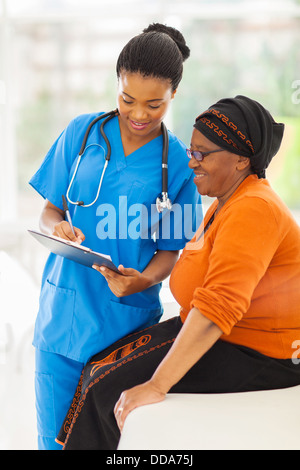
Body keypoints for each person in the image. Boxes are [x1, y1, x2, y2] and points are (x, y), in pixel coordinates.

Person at [56, 95, 300, 451]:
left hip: (257, 353)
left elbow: (218, 307)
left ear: (242, 160)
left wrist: (156, 385)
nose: (191, 161)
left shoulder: (254, 209)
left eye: (202, 154)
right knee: (98, 366)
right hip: (220, 334)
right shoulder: (227, 202)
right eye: (191, 150)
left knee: (104, 389)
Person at [29, 23, 201, 450]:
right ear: (117, 85)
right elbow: (51, 210)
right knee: (53, 443)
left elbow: (170, 253)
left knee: (111, 445)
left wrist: (143, 280)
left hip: (124, 329)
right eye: (127, 99)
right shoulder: (81, 134)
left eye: (154, 104)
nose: (139, 114)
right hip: (62, 321)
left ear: (173, 95)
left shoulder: (178, 164)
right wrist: (58, 228)